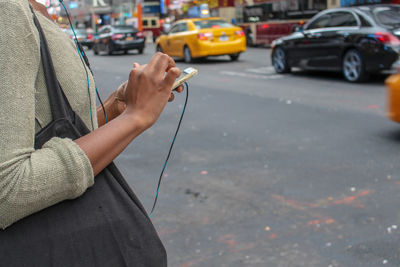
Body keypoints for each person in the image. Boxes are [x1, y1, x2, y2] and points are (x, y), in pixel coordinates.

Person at [0, 0, 183, 230]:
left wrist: (116, 104)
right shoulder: (8, 9)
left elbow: (55, 131)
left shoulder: (33, 9)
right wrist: (137, 116)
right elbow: (7, 190)